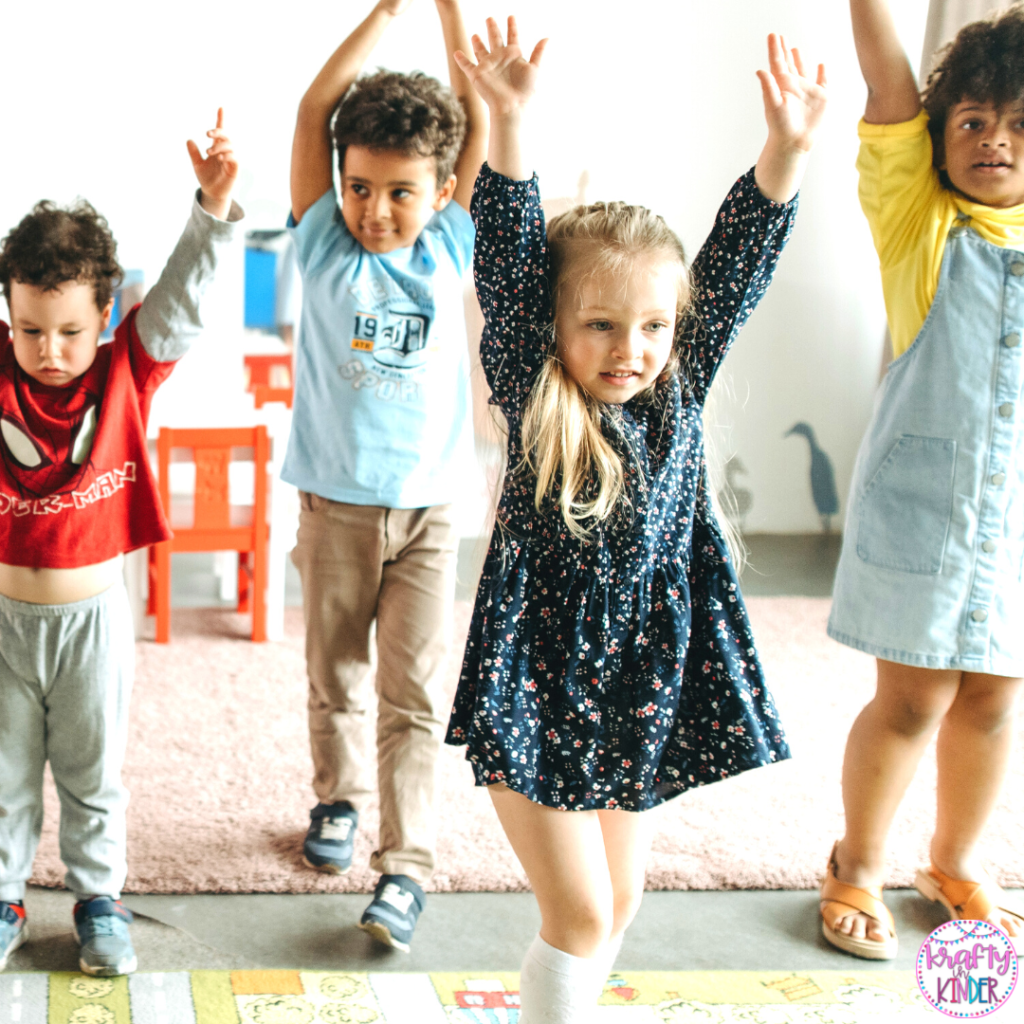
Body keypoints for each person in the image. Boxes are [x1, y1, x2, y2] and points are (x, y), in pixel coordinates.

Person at [445, 17, 826, 1022]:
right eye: (602, 325)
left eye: (653, 325)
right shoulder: (533, 383)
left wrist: (784, 150)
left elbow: (738, 258)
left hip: (640, 676)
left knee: (620, 899)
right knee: (576, 916)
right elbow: (511, 253)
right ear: (556, 326)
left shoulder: (679, 386)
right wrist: (509, 121)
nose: (632, 348)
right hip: (534, 677)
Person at [0, 111, 242, 976]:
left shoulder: (127, 367)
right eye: (30, 330)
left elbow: (179, 302)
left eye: (70, 330)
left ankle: (99, 898)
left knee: (92, 776)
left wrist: (211, 209)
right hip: (4, 621)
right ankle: (5, 898)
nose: (50, 351)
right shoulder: (2, 363)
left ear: (106, 313)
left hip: (93, 620)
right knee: (3, 780)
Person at [821, 0, 1024, 961]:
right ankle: (856, 865)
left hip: (1017, 528)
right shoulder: (920, 223)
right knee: (911, 703)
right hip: (921, 519)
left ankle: (953, 861)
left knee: (991, 702)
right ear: (939, 142)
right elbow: (890, 85)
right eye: (973, 121)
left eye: (1021, 124)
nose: (994, 140)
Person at [285, 0, 486, 951]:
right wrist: (390, 10)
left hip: (429, 515)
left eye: (401, 191)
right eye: (361, 187)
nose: (376, 210)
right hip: (334, 509)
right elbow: (312, 109)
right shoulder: (322, 237)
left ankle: (405, 868)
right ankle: (339, 802)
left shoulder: (450, 242)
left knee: (413, 695)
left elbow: (475, 115)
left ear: (442, 190)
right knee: (336, 676)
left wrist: (449, 17)